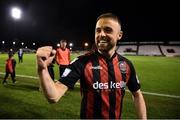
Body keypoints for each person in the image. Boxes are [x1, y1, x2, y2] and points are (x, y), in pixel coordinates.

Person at [36, 13, 147, 119]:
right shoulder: (81, 62)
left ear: (119, 35)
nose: (101, 34)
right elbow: (53, 96)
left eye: (107, 30)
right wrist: (42, 69)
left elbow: (137, 94)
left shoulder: (126, 65)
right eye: (98, 30)